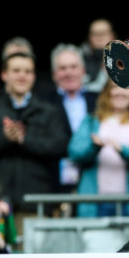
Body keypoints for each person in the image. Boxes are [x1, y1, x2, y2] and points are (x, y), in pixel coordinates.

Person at [0, 52, 69, 228]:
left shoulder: (49, 111)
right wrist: (3, 138)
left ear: (34, 76)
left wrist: (24, 139)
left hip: (36, 205)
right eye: (16, 70)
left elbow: (61, 147)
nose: (22, 75)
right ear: (4, 75)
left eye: (28, 71)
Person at [68, 78, 129, 218]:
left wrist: (124, 150)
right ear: (106, 92)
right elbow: (74, 153)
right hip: (95, 202)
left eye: (125, 87)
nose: (120, 92)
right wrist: (93, 147)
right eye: (114, 88)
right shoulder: (91, 122)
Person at [37, 43, 99, 195]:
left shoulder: (99, 101)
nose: (69, 72)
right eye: (63, 68)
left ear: (83, 71)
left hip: (96, 177)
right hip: (55, 182)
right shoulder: (43, 103)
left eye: (73, 66)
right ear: (54, 74)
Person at [80, 18, 116, 93]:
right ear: (89, 37)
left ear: (112, 35)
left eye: (103, 33)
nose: (99, 37)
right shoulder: (79, 59)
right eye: (95, 34)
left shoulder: (124, 56)